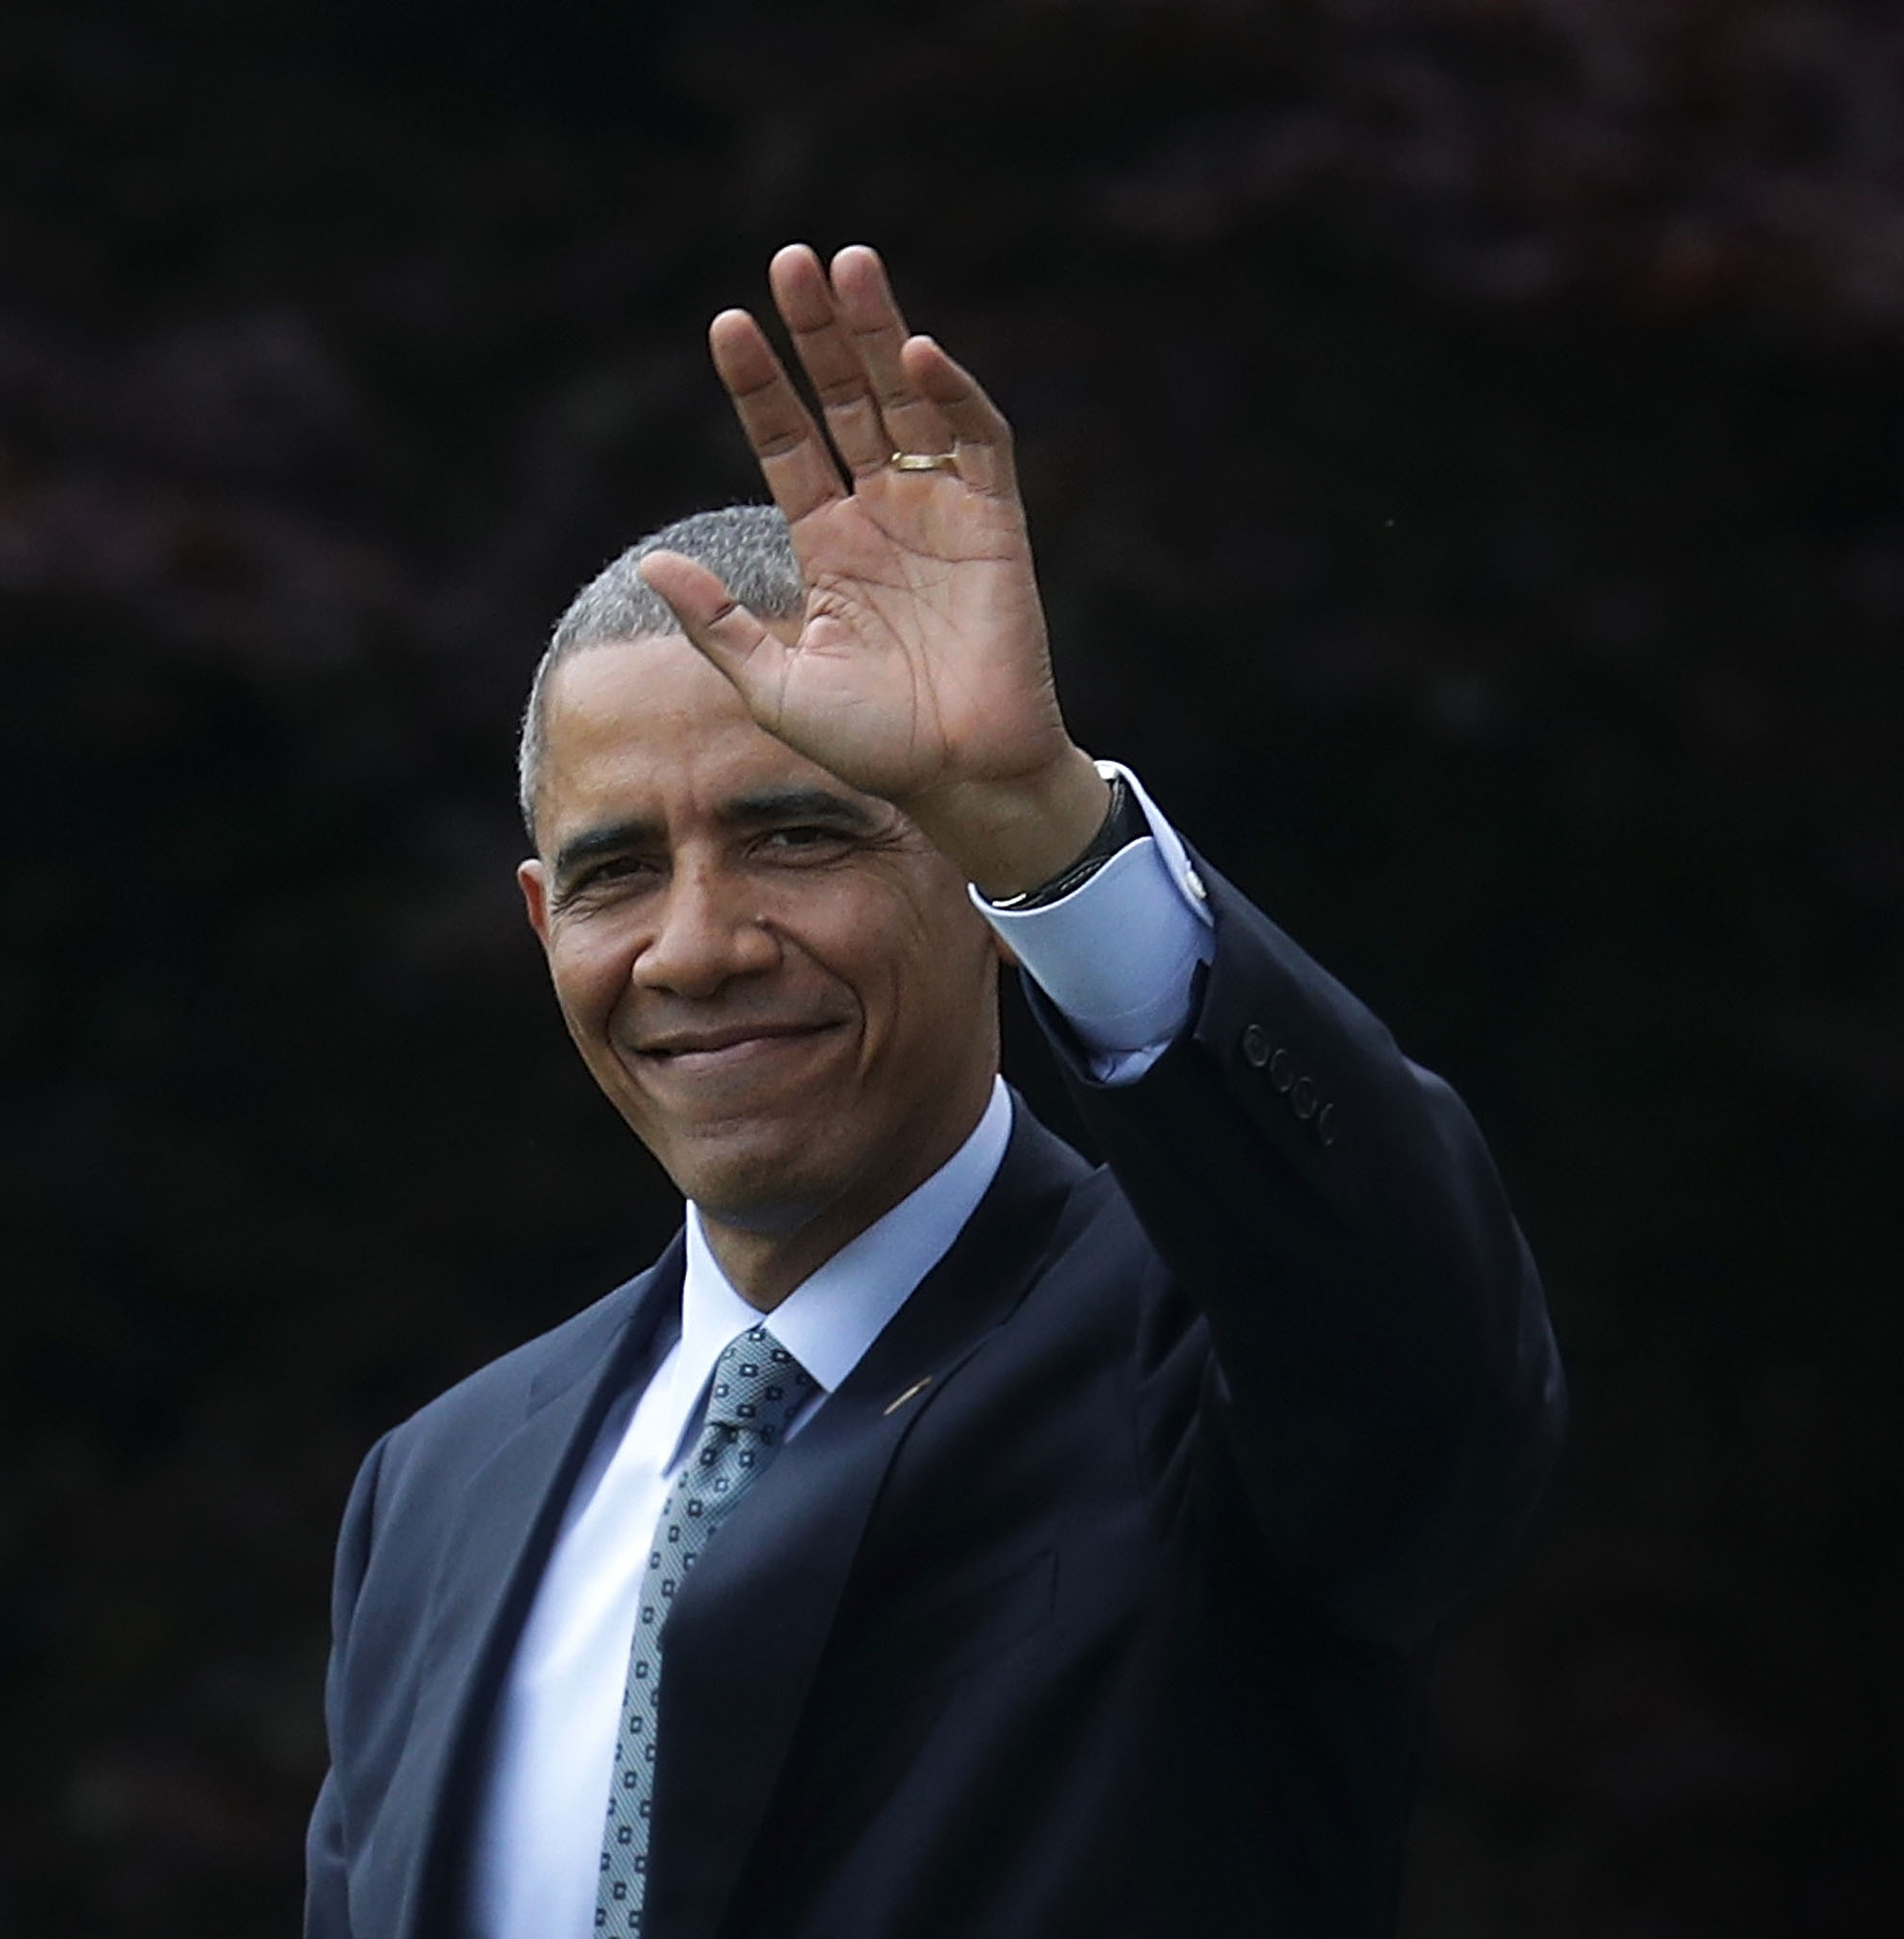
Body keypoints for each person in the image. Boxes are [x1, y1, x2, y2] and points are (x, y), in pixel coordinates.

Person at [303, 243, 1565, 1939]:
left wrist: (1042, 817)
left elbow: (1432, 1357)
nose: (696, 946)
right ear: (542, 926)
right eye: (615, 875)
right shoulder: (438, 1488)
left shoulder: (1202, 1361)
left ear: (975, 877)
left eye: (794, 836)